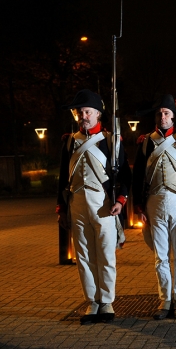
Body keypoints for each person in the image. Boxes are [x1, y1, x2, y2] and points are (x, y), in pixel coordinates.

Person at [56, 89, 132, 324]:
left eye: (87, 111)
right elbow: (62, 177)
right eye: (79, 112)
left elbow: (125, 176)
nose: (83, 116)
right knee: (84, 256)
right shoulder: (70, 141)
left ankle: (107, 301)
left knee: (106, 255)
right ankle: (92, 301)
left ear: (98, 114)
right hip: (77, 202)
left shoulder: (110, 140)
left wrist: (121, 201)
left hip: (103, 203)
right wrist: (61, 208)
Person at [132, 94, 176, 320]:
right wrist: (139, 206)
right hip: (154, 201)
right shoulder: (146, 142)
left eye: (166, 113)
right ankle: (165, 299)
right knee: (160, 256)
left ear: (174, 116)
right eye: (159, 113)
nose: (162, 117)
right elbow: (138, 176)